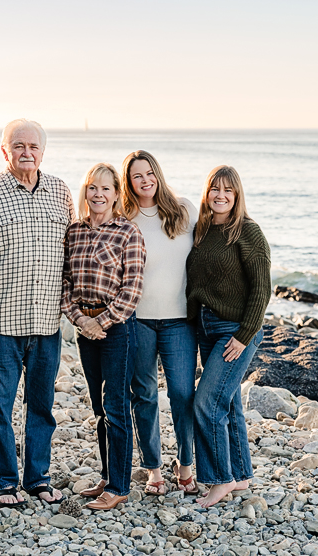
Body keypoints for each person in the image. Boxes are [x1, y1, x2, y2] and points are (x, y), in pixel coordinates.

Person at [0, 119, 74, 508]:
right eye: (18, 146)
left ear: (43, 151)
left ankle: (38, 478)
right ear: (4, 150)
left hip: (46, 322)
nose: (26, 152)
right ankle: (2, 482)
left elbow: (72, 251)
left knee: (42, 407)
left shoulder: (61, 193)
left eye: (33, 146)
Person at [186, 165, 272, 508]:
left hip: (234, 331)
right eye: (214, 189)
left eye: (228, 191)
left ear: (237, 196)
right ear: (207, 193)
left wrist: (244, 334)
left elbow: (262, 288)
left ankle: (218, 480)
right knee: (229, 401)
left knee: (206, 404)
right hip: (206, 328)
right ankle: (239, 475)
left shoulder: (248, 232)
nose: (220, 196)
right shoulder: (203, 230)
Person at [61, 163, 145, 510]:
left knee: (115, 406)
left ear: (116, 194)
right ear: (86, 192)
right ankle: (107, 477)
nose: (98, 195)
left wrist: (102, 323)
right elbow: (64, 281)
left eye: (106, 189)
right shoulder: (75, 231)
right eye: (92, 188)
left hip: (117, 329)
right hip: (85, 326)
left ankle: (120, 486)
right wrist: (81, 319)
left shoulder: (128, 233)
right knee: (98, 407)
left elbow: (133, 288)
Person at [120, 150, 199, 496]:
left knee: (182, 393)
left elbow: (210, 252)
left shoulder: (183, 210)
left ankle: (185, 463)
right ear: (128, 181)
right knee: (145, 394)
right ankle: (152, 468)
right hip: (138, 319)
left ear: (158, 173)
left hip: (179, 320)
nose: (145, 180)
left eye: (149, 173)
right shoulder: (124, 216)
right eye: (137, 176)